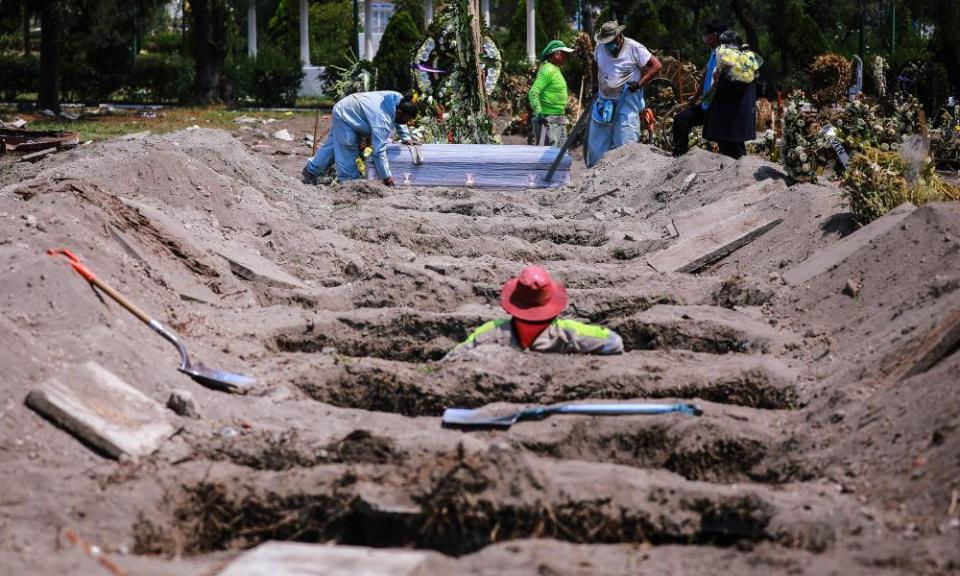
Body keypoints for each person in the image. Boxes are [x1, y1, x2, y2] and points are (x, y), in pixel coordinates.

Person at [444, 266, 624, 360]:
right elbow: (614, 343)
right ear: (551, 303)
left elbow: (453, 358)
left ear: (514, 302)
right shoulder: (569, 333)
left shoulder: (490, 332)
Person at [302, 90, 418, 186]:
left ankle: (311, 171)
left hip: (349, 107)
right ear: (399, 113)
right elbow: (378, 151)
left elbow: (399, 119)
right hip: (346, 113)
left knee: (333, 146)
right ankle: (350, 183)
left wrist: (406, 137)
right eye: (406, 120)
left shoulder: (399, 100)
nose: (405, 123)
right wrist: (386, 177)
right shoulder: (382, 119)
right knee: (348, 146)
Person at [587, 21, 662, 168]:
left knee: (625, 143)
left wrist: (639, 83)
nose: (609, 45)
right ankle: (595, 173)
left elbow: (657, 66)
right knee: (597, 144)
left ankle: (626, 175)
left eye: (611, 42)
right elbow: (594, 63)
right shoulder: (600, 48)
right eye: (606, 42)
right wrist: (595, 85)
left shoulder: (634, 48)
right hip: (604, 101)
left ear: (619, 37)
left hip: (626, 101)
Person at [672, 19, 725, 157]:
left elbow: (718, 82)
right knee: (680, 119)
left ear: (714, 35)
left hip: (718, 107)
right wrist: (694, 99)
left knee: (722, 141)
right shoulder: (713, 53)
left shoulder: (724, 55)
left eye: (707, 34)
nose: (705, 38)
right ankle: (680, 155)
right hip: (707, 104)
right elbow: (705, 78)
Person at [702, 31, 759, 159]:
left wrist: (717, 80)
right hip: (735, 122)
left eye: (722, 44)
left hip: (731, 122)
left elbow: (730, 89)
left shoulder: (736, 65)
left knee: (733, 154)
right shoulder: (747, 62)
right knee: (735, 150)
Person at [529, 40, 575, 148]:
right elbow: (533, 92)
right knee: (549, 158)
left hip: (557, 120)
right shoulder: (547, 70)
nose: (567, 57)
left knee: (561, 158)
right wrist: (539, 113)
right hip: (548, 122)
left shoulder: (555, 69)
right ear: (556, 54)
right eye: (564, 54)